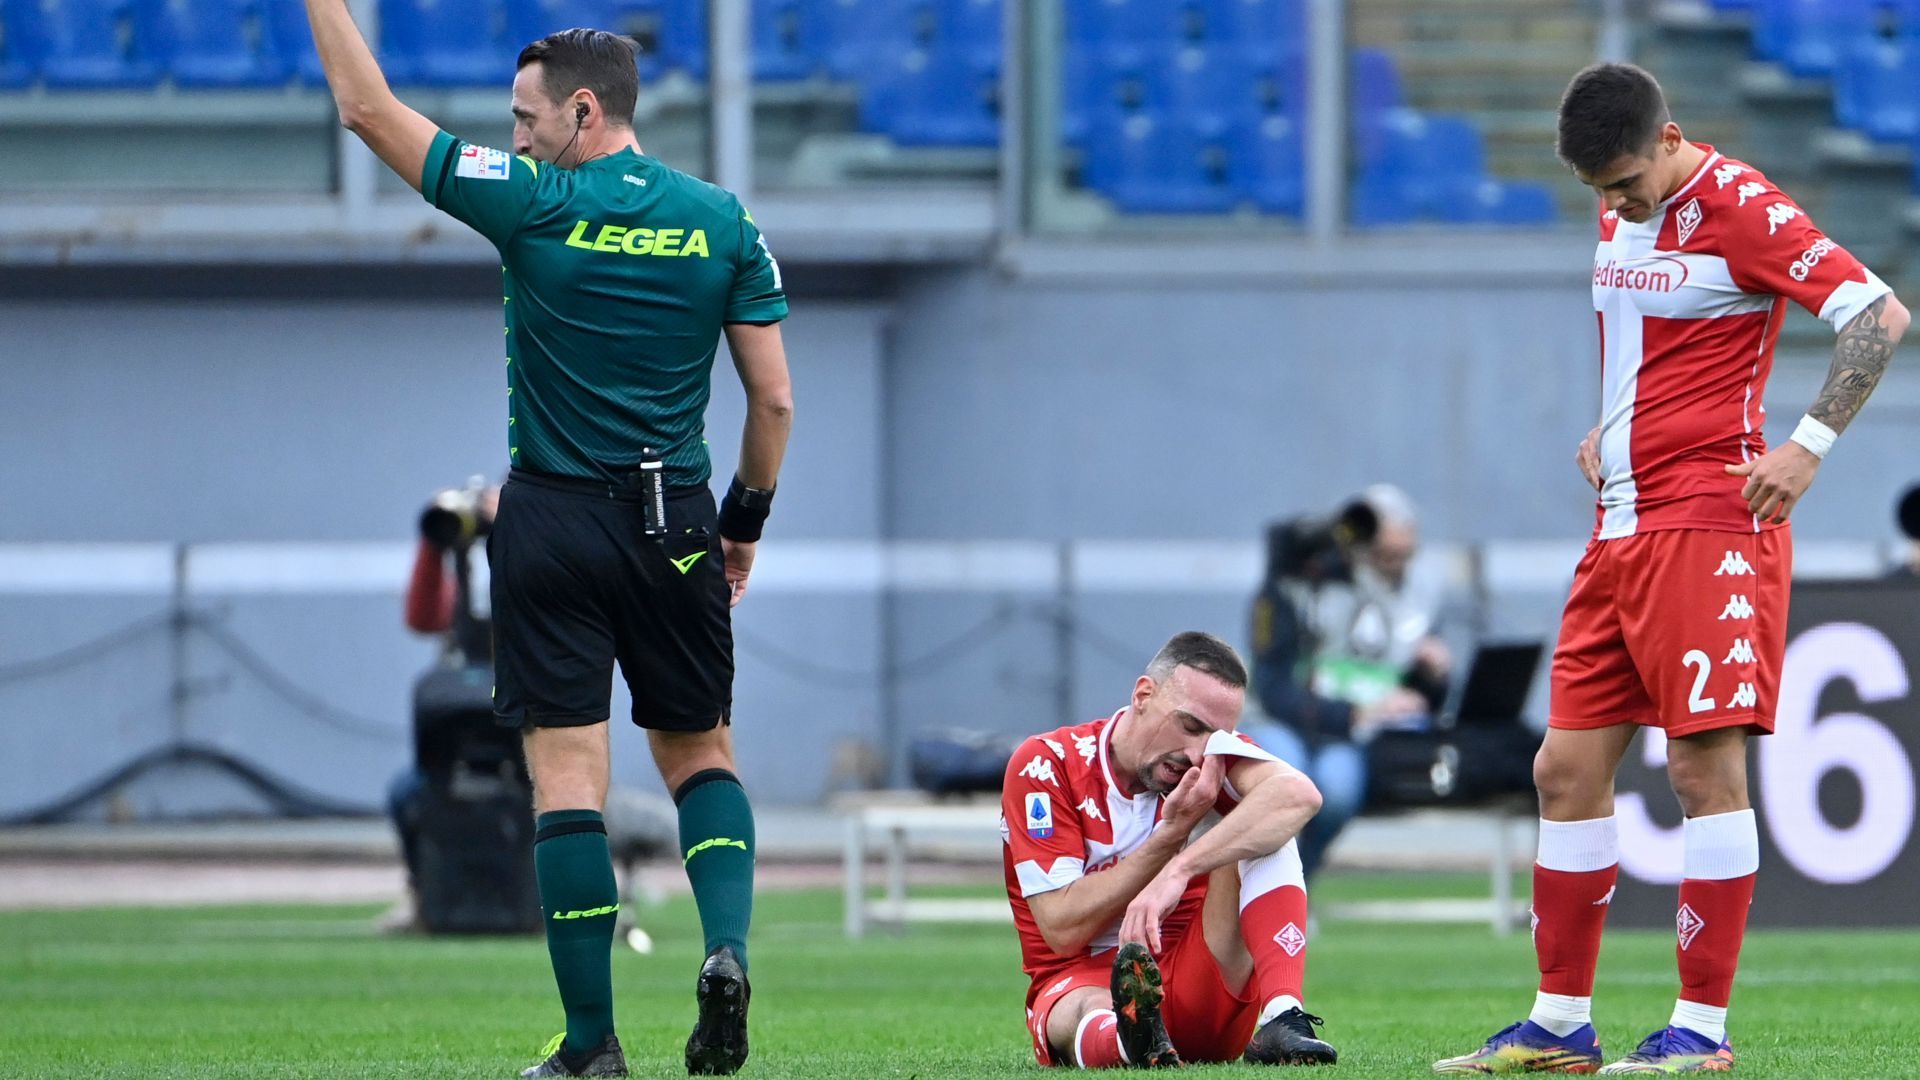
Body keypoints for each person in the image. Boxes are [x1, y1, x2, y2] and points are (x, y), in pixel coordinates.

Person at [302, 7, 795, 1076]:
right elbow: (774, 403)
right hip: (677, 520)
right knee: (700, 753)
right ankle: (724, 948)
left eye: (527, 118)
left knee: (568, 780)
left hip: (552, 522)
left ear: (583, 110)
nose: (515, 136)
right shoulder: (723, 221)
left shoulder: (531, 200)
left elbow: (365, 109)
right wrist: (742, 529)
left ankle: (589, 1045)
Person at [1435, 63, 1908, 1075]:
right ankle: (1559, 1026)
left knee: (1702, 772)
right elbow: (1646, 348)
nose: (1615, 206)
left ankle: (1700, 1031)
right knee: (1564, 772)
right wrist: (1611, 431)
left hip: (1707, 520)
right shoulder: (1620, 206)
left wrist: (1806, 447)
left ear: (1670, 138)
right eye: (1596, 192)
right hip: (1619, 520)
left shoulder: (1743, 209)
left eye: (1625, 185)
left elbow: (1879, 315)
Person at [1001, 631, 1339, 1069]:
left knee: (1267, 825)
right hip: (1082, 983)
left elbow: (1298, 796)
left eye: (1215, 738)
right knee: (1082, 1007)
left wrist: (1179, 871)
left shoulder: (1211, 759)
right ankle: (1132, 1042)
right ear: (1144, 695)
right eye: (1190, 726)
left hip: (1198, 982)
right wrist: (1169, 837)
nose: (1197, 753)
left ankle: (1282, 1014)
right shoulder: (1048, 764)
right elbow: (1062, 928)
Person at [1247, 484, 1453, 876]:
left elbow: (1412, 689)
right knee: (1286, 780)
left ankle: (1294, 883)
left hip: (1346, 735)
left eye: (1402, 556)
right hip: (1283, 720)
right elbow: (1273, 687)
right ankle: (1261, 887)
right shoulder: (1302, 584)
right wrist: (1353, 713)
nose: (1392, 566)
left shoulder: (1408, 595)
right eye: (1384, 555)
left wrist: (1432, 675)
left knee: (1337, 791)